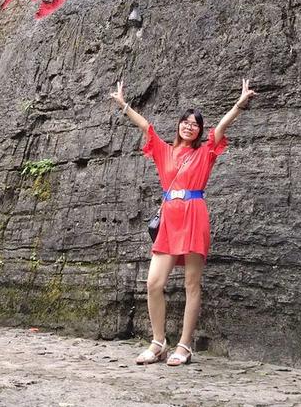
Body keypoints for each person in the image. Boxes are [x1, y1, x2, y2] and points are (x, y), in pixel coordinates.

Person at [110, 78, 257, 366]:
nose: (190, 126)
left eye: (195, 124)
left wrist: (240, 103)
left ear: (200, 130)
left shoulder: (205, 152)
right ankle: (157, 342)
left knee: (192, 284)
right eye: (185, 122)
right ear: (178, 125)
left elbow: (222, 127)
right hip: (170, 219)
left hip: (194, 215)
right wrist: (123, 104)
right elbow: (145, 126)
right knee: (154, 283)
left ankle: (185, 345)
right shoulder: (164, 150)